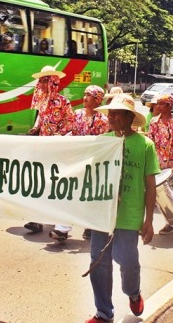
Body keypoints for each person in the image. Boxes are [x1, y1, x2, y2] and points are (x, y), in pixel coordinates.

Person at [85, 93, 158, 323]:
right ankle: (104, 313)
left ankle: (133, 293)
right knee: (99, 263)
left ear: (129, 117)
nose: (111, 116)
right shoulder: (102, 141)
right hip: (102, 215)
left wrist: (148, 221)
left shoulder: (145, 145)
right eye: (110, 112)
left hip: (129, 216)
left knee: (128, 262)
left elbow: (149, 184)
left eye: (116, 113)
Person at [24, 65, 75, 237]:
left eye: (46, 80)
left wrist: (58, 136)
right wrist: (35, 127)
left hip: (58, 148)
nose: (42, 84)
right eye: (41, 81)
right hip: (43, 147)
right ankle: (37, 219)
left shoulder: (63, 101)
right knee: (40, 182)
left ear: (53, 82)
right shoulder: (42, 102)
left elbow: (70, 122)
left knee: (57, 184)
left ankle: (62, 226)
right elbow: (41, 118)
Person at [70, 85, 109, 240]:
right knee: (70, 192)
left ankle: (90, 225)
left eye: (89, 95)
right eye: (84, 94)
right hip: (77, 161)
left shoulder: (103, 119)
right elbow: (72, 134)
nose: (85, 98)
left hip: (94, 164)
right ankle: (63, 228)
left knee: (90, 196)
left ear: (97, 99)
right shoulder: (77, 114)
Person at [146, 94, 173, 235]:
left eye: (161, 104)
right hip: (156, 163)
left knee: (170, 196)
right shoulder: (154, 123)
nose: (157, 107)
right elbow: (150, 143)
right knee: (151, 194)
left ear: (169, 105)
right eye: (157, 104)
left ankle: (170, 223)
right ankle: (145, 223)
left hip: (171, 164)